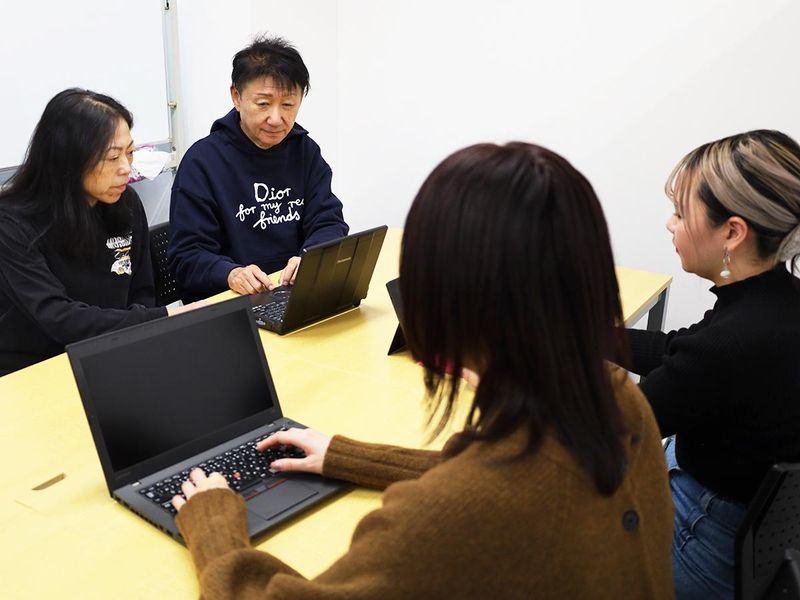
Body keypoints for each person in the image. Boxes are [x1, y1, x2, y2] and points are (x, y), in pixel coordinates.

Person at [170, 142, 675, 599]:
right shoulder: (618, 398)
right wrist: (347, 456)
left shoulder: (443, 523)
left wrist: (214, 525)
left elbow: (477, 495)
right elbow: (505, 473)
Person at [625, 130, 800, 599]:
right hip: (748, 519)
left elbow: (611, 430)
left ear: (732, 232)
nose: (670, 225)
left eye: (681, 214)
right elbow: (682, 352)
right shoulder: (774, 298)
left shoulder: (734, 344)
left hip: (702, 536)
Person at [0, 88, 199, 377]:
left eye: (129, 153)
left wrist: (143, 341)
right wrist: (161, 317)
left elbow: (142, 292)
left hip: (110, 352)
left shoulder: (125, 202)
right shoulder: (12, 222)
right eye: (112, 157)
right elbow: (60, 318)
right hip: (36, 369)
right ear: (68, 160)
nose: (126, 168)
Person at [168, 35, 349, 302]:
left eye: (288, 105)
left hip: (294, 295)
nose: (276, 118)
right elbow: (187, 256)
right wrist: (230, 273)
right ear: (236, 96)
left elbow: (329, 221)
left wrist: (311, 257)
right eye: (263, 104)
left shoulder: (304, 151)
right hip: (232, 302)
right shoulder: (202, 163)